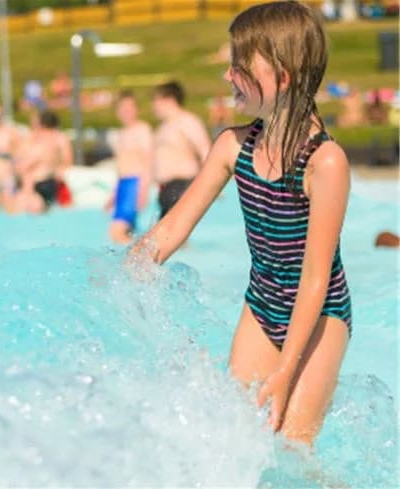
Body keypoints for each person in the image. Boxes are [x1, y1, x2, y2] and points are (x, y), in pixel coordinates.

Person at [131, 1, 352, 446]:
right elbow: (173, 228)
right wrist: (130, 265)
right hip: (262, 305)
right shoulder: (233, 147)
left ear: (282, 78)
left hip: (319, 315)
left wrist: (287, 370)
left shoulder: (324, 163)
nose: (227, 75)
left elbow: (315, 279)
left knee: (292, 448)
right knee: (236, 437)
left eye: (238, 66)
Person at [152, 81, 211, 220]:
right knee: (163, 237)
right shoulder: (162, 127)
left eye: (156, 100)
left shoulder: (187, 120)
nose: (153, 105)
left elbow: (205, 149)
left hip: (182, 185)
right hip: (166, 189)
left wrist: (210, 183)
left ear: (170, 99)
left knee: (169, 235)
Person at [106, 91, 153, 244]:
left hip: (134, 185)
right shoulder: (120, 134)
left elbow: (148, 161)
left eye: (129, 108)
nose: (126, 112)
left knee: (116, 232)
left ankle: (140, 257)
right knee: (127, 232)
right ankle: (136, 261)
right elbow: (121, 168)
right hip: (123, 186)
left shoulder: (142, 129)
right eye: (122, 108)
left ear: (136, 109)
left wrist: (143, 190)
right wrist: (114, 195)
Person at [13, 110, 64, 214]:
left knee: (30, 210)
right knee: (18, 209)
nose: (34, 127)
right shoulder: (27, 141)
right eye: (33, 124)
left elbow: (25, 165)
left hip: (43, 185)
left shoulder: (49, 141)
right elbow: (18, 163)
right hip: (29, 186)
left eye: (36, 124)